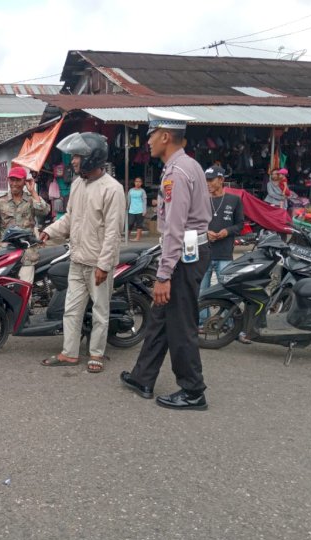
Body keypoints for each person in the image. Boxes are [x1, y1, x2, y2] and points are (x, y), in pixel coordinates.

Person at [120, 108, 211, 410]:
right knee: (160, 317)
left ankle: (193, 391)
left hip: (185, 254)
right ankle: (142, 377)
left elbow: (175, 227)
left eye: (150, 136)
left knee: (180, 324)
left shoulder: (177, 173)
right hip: (190, 251)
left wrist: (163, 275)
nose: (146, 142)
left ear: (165, 136)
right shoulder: (191, 165)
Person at [39, 132, 126, 373]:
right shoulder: (78, 184)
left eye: (77, 156)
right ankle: (69, 353)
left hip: (98, 264)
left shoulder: (113, 189)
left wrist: (104, 265)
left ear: (91, 158)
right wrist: (50, 231)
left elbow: (113, 232)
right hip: (77, 259)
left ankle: (96, 353)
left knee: (100, 311)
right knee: (72, 309)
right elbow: (70, 218)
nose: (73, 161)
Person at [0, 166, 49, 283]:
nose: (14, 183)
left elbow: (44, 211)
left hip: (27, 252)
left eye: (18, 180)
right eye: (12, 180)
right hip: (6, 250)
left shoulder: (31, 199)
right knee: (4, 285)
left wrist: (33, 191)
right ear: (8, 180)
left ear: (24, 181)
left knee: (24, 287)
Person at [201, 165, 244, 291]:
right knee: (202, 294)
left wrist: (227, 231)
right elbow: (192, 225)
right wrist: (205, 233)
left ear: (220, 180)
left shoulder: (234, 200)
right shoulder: (201, 201)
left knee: (227, 293)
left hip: (224, 254)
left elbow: (240, 225)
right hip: (203, 254)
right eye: (206, 181)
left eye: (210, 180)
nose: (207, 184)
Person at [128, 176, 147, 241]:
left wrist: (144, 210)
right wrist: (126, 208)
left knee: (139, 224)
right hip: (131, 210)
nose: (138, 183)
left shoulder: (142, 191)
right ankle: (127, 236)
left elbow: (144, 201)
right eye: (136, 181)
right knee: (130, 223)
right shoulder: (131, 190)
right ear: (134, 182)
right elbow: (128, 200)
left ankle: (137, 238)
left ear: (141, 183)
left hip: (140, 210)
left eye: (139, 182)